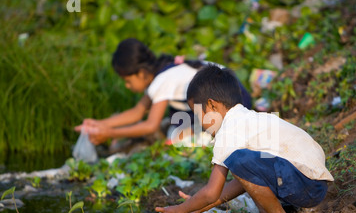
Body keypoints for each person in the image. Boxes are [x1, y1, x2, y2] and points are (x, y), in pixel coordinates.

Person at [156, 65, 334, 213]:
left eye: (197, 115)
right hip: (311, 183)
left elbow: (212, 192)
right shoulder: (246, 119)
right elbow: (244, 181)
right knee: (243, 163)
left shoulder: (229, 131)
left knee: (238, 159)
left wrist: (179, 210)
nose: (199, 124)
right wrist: (198, 204)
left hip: (305, 185)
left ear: (211, 106)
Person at [74, 38, 252, 151]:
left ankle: (208, 139)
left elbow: (151, 125)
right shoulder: (163, 71)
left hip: (230, 104)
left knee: (174, 138)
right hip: (233, 95)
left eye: (128, 80)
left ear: (141, 73)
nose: (127, 86)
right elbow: (138, 111)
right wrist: (99, 124)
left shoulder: (161, 80)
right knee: (174, 126)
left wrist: (110, 133)